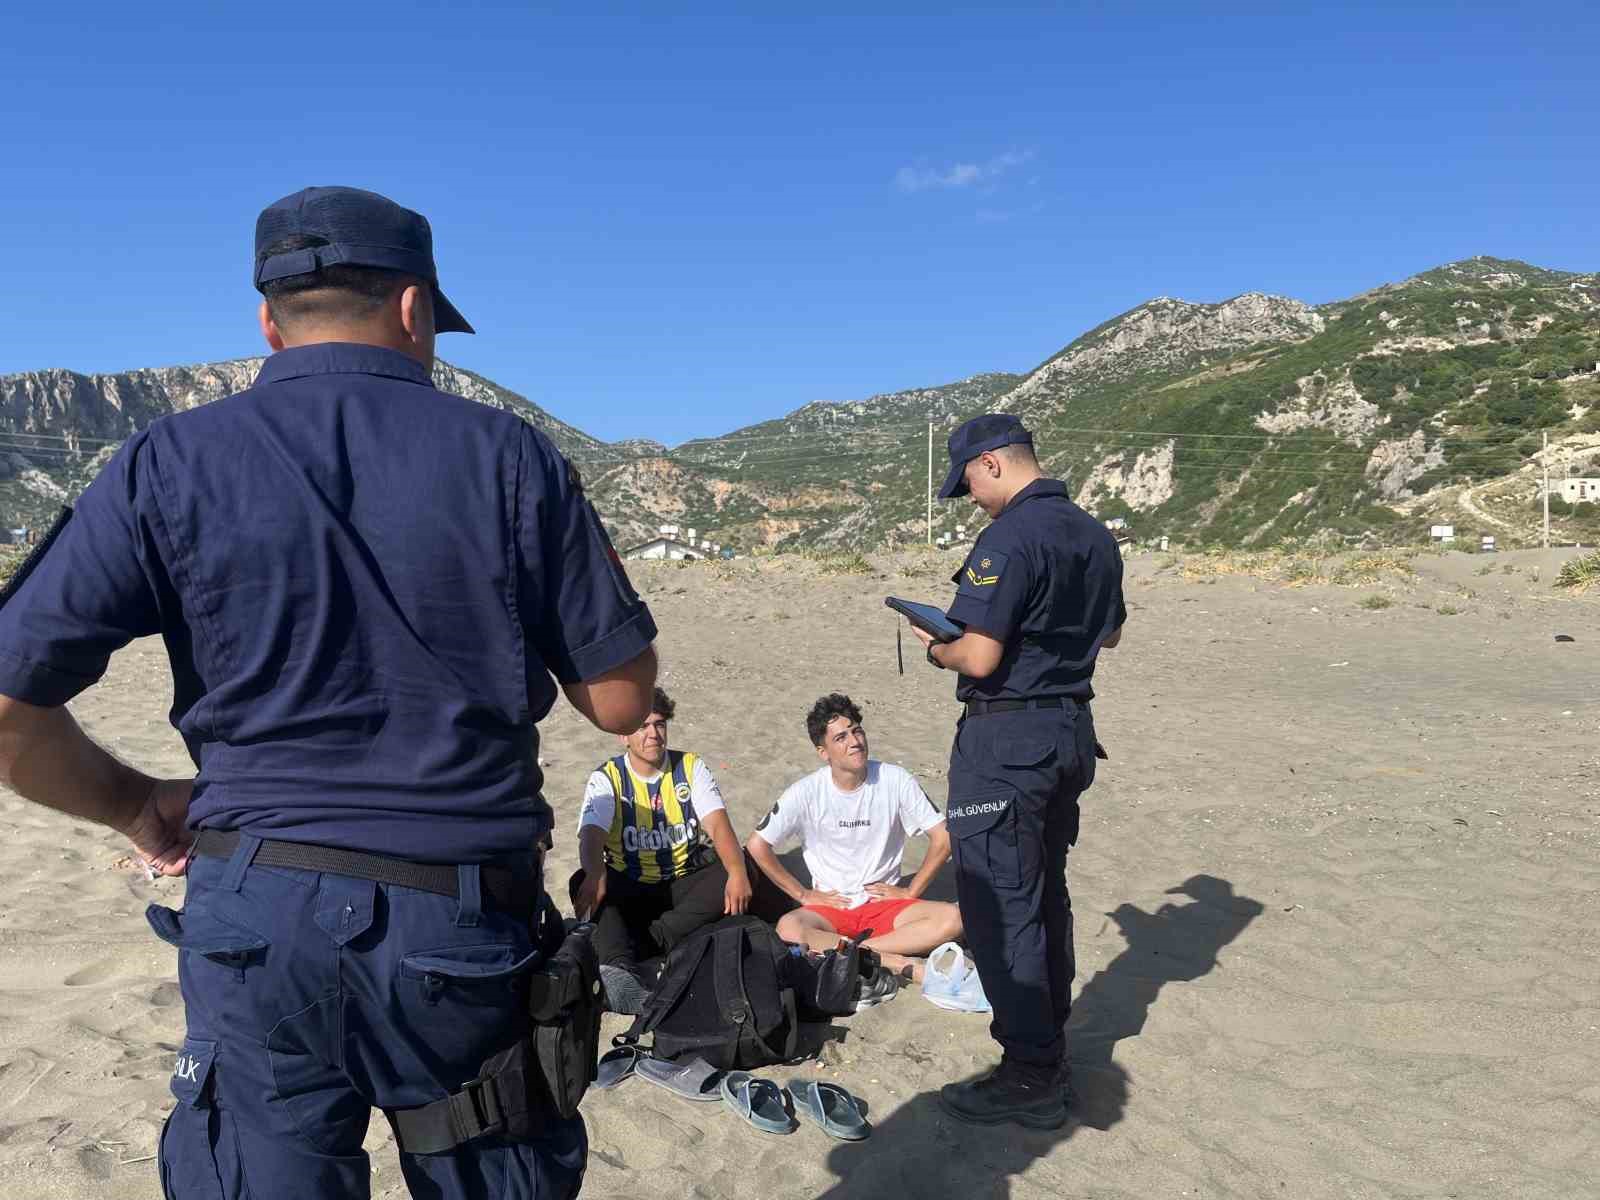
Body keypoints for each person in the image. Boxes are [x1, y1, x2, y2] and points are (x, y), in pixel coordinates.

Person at [0, 185, 659, 1200]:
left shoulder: (164, 461)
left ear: (268, 319)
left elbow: (9, 712)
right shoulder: (513, 458)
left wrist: (139, 804)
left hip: (257, 912)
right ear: (413, 309)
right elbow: (620, 703)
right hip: (461, 919)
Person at [906, 413, 1125, 1131]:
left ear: (993, 464)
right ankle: (1047, 1046)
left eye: (967, 479)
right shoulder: (1094, 534)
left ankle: (1030, 1071)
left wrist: (936, 645)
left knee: (1003, 906)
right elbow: (1112, 631)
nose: (969, 495)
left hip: (1009, 743)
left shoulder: (1008, 537)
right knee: (1044, 894)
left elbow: (979, 657)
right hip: (1069, 731)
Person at [745, 693, 961, 983]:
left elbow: (944, 837)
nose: (855, 741)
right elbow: (757, 845)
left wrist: (911, 892)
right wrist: (803, 894)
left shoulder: (894, 779)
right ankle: (893, 961)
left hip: (883, 906)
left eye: (857, 730)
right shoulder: (806, 792)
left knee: (954, 919)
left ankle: (859, 953)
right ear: (823, 752)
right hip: (831, 908)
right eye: (841, 738)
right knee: (788, 928)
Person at [569, 686, 753, 1013]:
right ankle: (620, 972)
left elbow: (718, 824)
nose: (653, 734)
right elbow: (591, 834)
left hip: (680, 881)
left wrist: (737, 872)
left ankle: (644, 944)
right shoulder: (608, 777)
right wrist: (596, 873)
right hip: (630, 882)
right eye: (642, 726)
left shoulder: (690, 768)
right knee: (582, 880)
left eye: (659, 725)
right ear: (623, 736)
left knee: (738, 866)